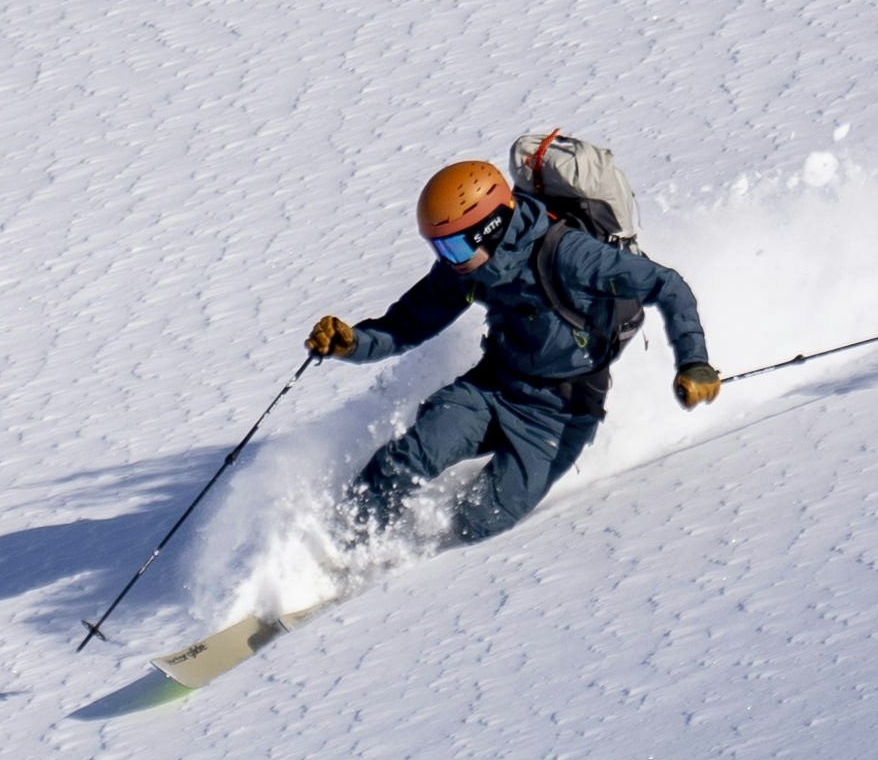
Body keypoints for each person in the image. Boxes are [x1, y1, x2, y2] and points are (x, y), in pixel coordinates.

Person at [306, 157, 720, 550]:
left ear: (492, 228)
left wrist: (694, 362)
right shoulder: (465, 270)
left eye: (454, 248)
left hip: (560, 414)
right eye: (439, 250)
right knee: (412, 454)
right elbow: (408, 324)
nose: (449, 262)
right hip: (493, 386)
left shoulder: (570, 255)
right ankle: (342, 543)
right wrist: (354, 343)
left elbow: (668, 285)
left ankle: (421, 553)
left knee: (479, 520)